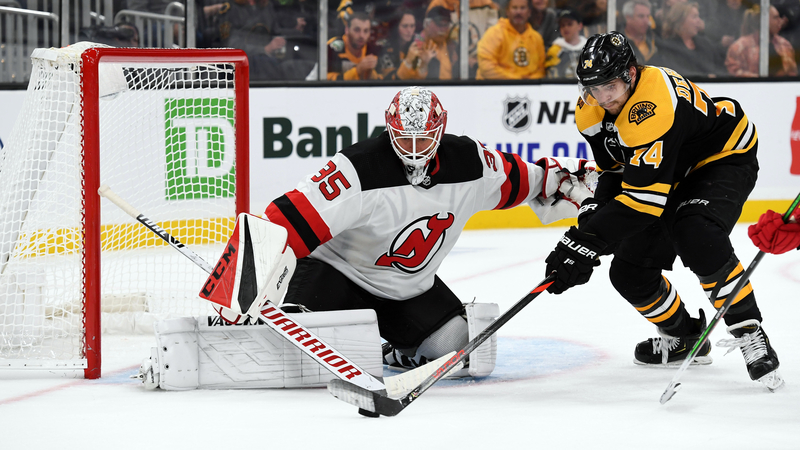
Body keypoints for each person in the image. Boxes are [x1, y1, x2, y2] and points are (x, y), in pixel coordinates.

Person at [259, 86, 593, 375]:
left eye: (424, 137)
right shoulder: (359, 169)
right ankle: (294, 319)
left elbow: (525, 180)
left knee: (466, 351)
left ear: (441, 128)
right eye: (405, 137)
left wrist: (566, 183)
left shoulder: (470, 163)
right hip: (335, 276)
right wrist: (235, 294)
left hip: (405, 292)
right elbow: (282, 222)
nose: (415, 147)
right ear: (390, 129)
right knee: (293, 347)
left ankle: (397, 352)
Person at [543, 32, 783, 391]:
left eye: (610, 85)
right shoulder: (591, 109)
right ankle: (686, 336)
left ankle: (749, 330)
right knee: (628, 273)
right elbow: (616, 170)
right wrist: (593, 214)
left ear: (631, 74)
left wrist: (585, 240)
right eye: (593, 87)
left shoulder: (651, 104)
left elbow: (643, 203)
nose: (603, 97)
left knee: (695, 233)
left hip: (719, 157)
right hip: (666, 170)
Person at [476, 0, 546, 79]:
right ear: (507, 11)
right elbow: (486, 68)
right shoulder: (494, 33)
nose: (518, 12)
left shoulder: (536, 38)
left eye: (522, 8)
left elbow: (541, 70)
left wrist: (528, 83)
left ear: (529, 12)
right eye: (514, 8)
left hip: (528, 88)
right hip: (496, 87)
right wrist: (516, 80)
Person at [725, 5, 798, 77]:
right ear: (763, 20)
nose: (780, 21)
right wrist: (761, 81)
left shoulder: (784, 45)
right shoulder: (739, 47)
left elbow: (792, 73)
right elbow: (733, 74)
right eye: (775, 18)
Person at [656, 2, 724, 78]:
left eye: (699, 16)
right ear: (680, 19)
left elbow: (720, 68)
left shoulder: (705, 43)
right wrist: (705, 77)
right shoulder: (668, 47)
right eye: (694, 17)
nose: (699, 21)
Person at [396, 6, 460, 79]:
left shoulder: (452, 45)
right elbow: (409, 81)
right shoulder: (416, 44)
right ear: (427, 24)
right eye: (439, 24)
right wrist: (424, 64)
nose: (442, 29)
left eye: (446, 25)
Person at [377, 8, 435, 80]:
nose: (409, 30)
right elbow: (392, 80)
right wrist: (407, 62)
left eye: (412, 26)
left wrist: (424, 64)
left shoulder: (416, 45)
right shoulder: (385, 49)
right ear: (395, 27)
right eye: (405, 26)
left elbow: (418, 80)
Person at [327, 11, 383, 80]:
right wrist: (357, 71)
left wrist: (370, 73)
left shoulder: (373, 50)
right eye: (357, 30)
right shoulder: (333, 47)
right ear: (347, 29)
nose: (361, 36)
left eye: (366, 31)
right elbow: (322, 80)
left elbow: (384, 81)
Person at [545, 9, 586, 79]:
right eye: (562, 25)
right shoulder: (554, 50)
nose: (566, 28)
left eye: (570, 24)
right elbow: (551, 76)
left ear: (580, 26)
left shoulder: (590, 49)